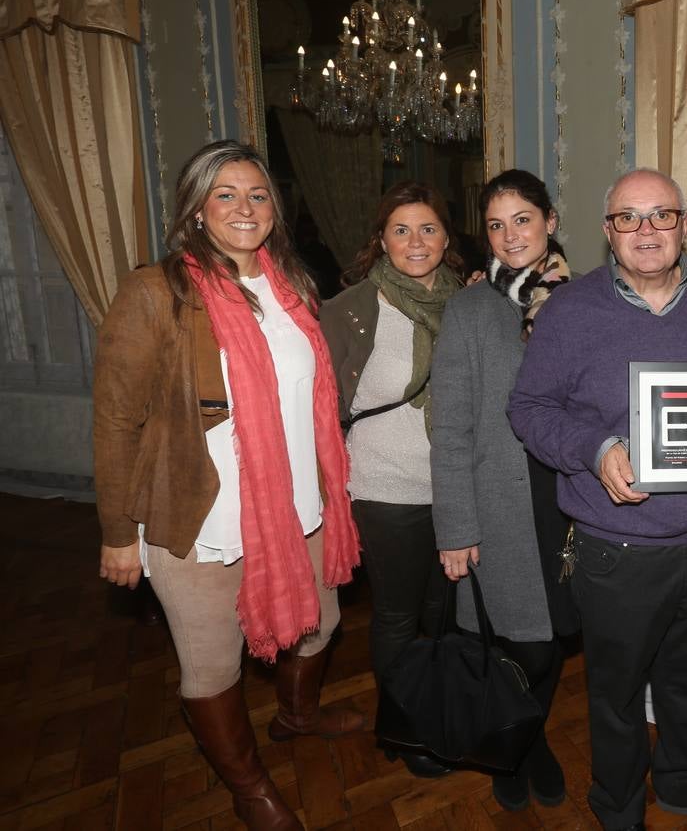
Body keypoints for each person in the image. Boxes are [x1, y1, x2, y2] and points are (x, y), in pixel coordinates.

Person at [94, 140, 363, 830]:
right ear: (196, 209)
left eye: (258, 195)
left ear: (275, 208)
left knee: (321, 625)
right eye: (226, 195)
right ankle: (250, 788)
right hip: (199, 518)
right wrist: (120, 535)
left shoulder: (292, 287)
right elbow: (116, 420)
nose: (245, 208)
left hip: (302, 504)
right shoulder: (156, 292)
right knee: (211, 666)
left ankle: (298, 716)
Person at [507, 168, 687, 831]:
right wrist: (596, 450)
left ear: (684, 224)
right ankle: (618, 808)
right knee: (616, 696)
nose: (647, 231)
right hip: (613, 551)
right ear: (608, 232)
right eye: (629, 217)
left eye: (662, 215)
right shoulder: (570, 310)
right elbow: (528, 407)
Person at [432, 169, 579, 811]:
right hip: (503, 502)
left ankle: (530, 734)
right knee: (521, 642)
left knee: (556, 639)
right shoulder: (468, 308)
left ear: (550, 221)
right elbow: (451, 428)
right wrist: (457, 528)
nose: (509, 235)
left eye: (522, 219)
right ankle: (514, 744)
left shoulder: (586, 300)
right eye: (496, 224)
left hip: (576, 497)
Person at [320, 180, 463, 778]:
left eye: (427, 228)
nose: (415, 241)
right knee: (400, 615)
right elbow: (320, 401)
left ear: (447, 237)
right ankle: (403, 729)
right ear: (380, 241)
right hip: (385, 487)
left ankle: (430, 712)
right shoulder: (352, 307)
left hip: (454, 488)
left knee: (442, 613)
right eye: (400, 230)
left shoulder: (472, 301)